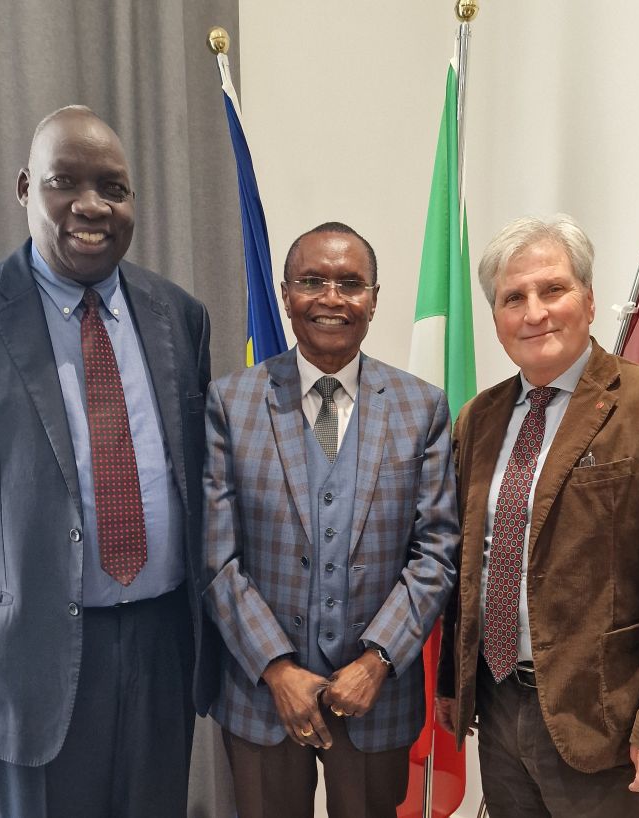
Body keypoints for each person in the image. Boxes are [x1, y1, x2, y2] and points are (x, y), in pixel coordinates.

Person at [0, 106, 216, 818]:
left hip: (163, 644)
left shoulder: (179, 315)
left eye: (113, 188)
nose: (91, 206)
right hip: (26, 653)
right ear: (23, 187)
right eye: (64, 181)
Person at [436, 214, 639, 818]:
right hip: (496, 706)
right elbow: (466, 564)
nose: (534, 312)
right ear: (495, 318)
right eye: (513, 298)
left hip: (606, 719)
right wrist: (451, 682)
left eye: (553, 289)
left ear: (589, 300)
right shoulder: (478, 418)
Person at [202, 222, 459, 818]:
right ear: (286, 293)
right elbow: (216, 557)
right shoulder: (231, 402)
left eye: (350, 283)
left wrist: (377, 660)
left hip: (376, 696)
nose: (331, 298)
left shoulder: (422, 407)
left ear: (374, 298)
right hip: (260, 696)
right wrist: (276, 668)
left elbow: (437, 551)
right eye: (312, 281)